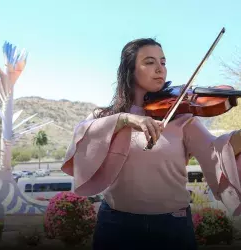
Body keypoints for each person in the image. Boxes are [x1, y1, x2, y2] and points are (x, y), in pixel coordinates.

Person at [61, 38, 241, 250]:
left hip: (172, 224)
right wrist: (126, 119)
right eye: (149, 62)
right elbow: (84, 135)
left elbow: (218, 152)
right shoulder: (106, 117)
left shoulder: (183, 119)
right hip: (116, 223)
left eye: (163, 62)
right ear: (130, 69)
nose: (160, 69)